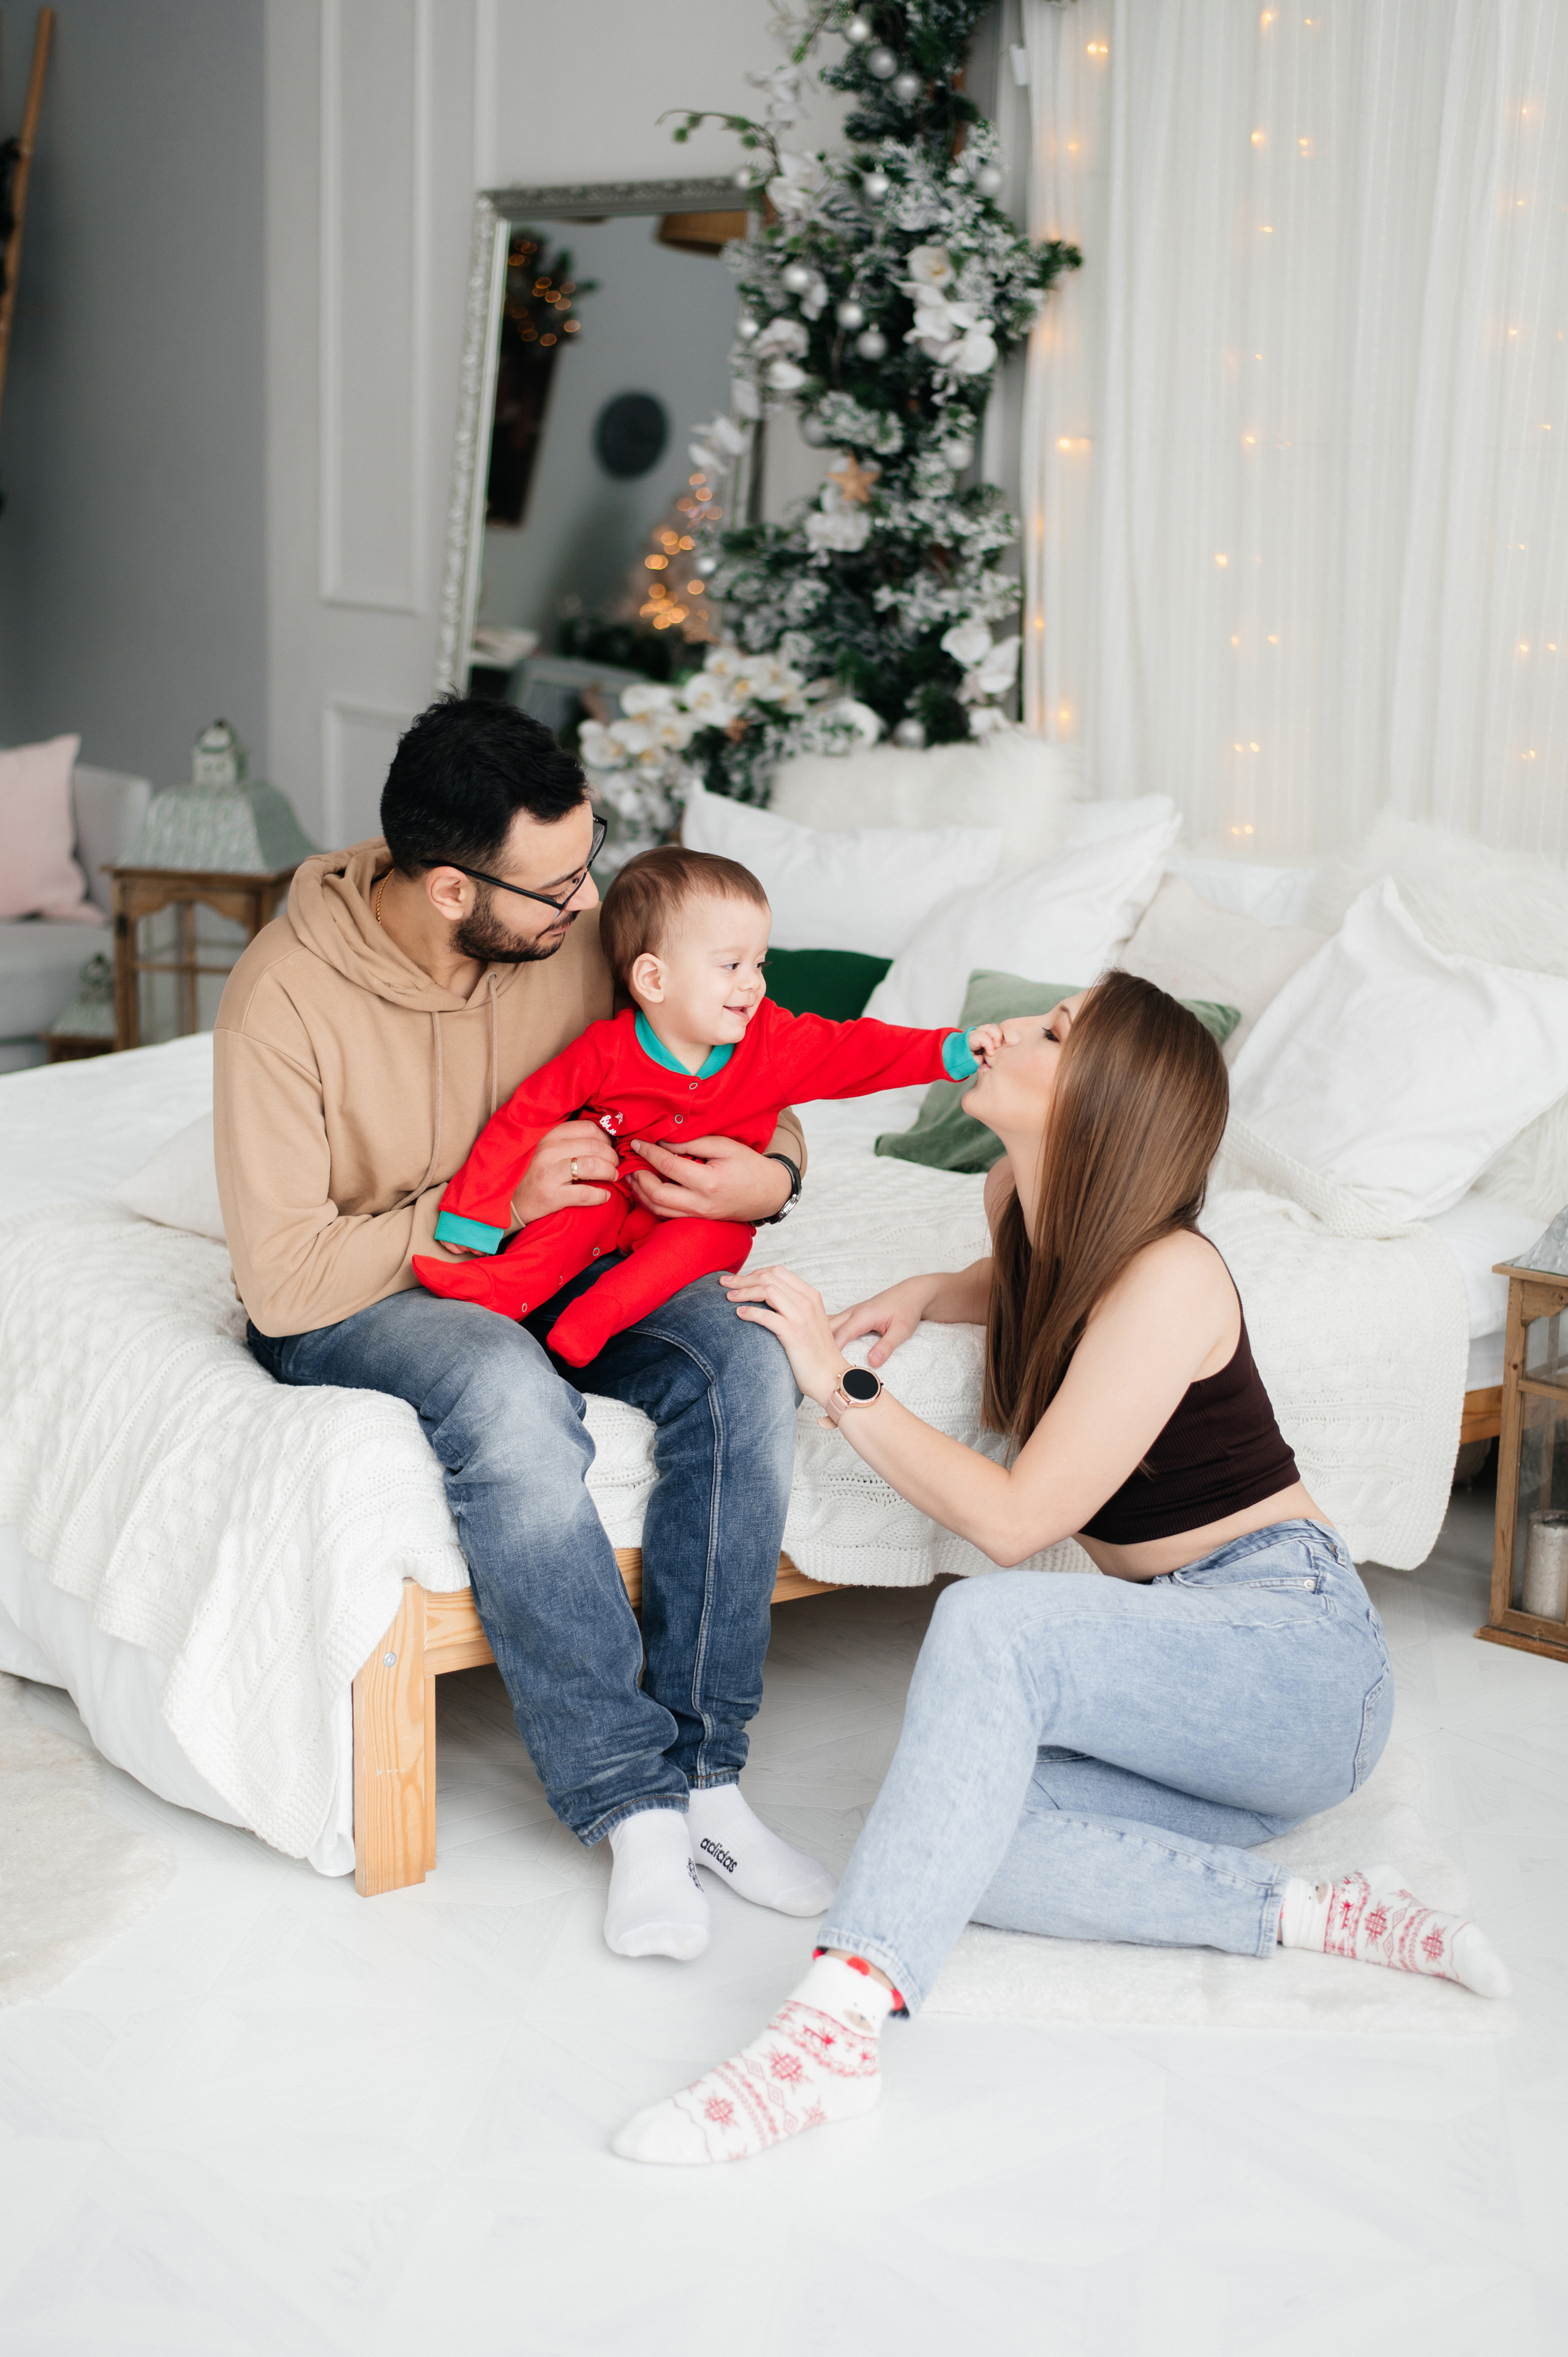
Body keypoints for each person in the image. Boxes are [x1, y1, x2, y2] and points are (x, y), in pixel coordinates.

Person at [612, 970, 1512, 2166]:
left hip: (1295, 1663)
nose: (1001, 1028)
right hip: (1191, 1688)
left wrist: (837, 1380)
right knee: (962, 1837)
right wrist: (932, 1293)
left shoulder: (1172, 1275)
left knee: (993, 1623)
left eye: (1049, 1032)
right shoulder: (1017, 1204)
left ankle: (826, 2038)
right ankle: (1320, 1915)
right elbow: (1033, 1285)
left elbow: (1013, 1519)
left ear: (1104, 1099)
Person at [215, 695, 834, 1962]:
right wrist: (471, 1218)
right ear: (452, 889)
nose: (585, 906)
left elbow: (744, 1059)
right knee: (504, 1392)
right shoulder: (281, 999)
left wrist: (768, 1173)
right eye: (554, 888)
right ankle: (632, 1805)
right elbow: (280, 1277)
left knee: (743, 1361)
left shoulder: (572, 930)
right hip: (369, 1291)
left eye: (588, 861)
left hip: (573, 1256)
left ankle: (707, 1777)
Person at [413, 844, 995, 1364]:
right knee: (571, 1220)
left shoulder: (771, 1041)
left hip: (700, 1211)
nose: (754, 984)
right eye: (731, 965)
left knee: (712, 1243)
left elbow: (857, 1051)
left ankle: (600, 1314)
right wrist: (474, 1214)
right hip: (615, 1185)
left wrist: (949, 1051)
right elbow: (526, 1115)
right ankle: (499, 1288)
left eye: (760, 963)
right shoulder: (606, 1048)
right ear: (654, 979)